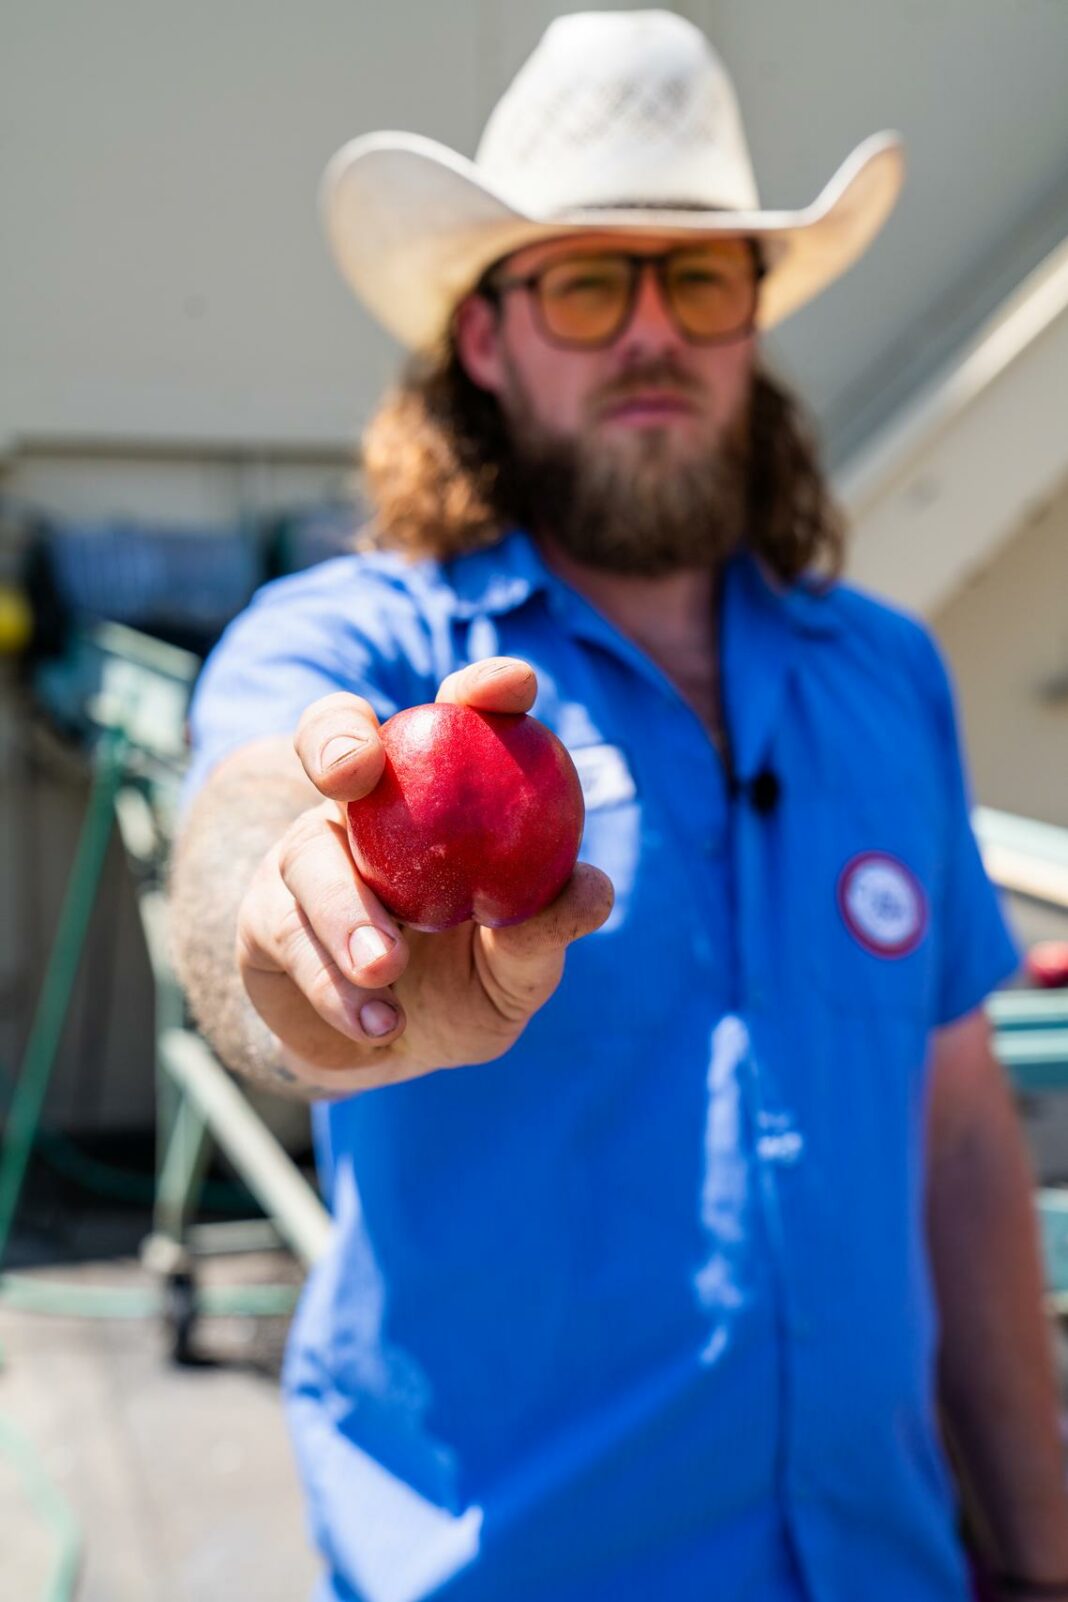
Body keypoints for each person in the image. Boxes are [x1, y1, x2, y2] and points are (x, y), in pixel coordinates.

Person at [170, 13, 1068, 1601]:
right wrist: (303, 945)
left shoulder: (890, 679)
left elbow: (958, 1135)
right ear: (486, 339)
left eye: (701, 277)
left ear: (750, 324)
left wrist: (1043, 1540)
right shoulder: (359, 652)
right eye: (589, 280)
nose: (651, 330)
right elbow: (250, 854)